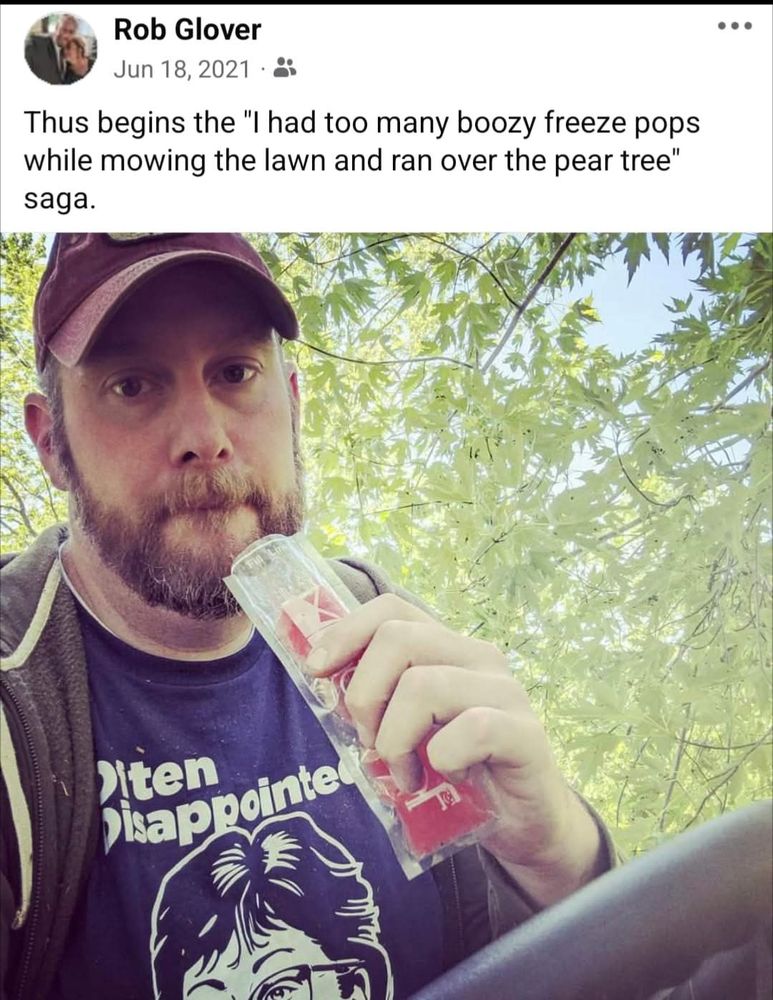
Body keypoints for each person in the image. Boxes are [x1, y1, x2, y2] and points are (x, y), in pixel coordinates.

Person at [0, 233, 615, 1000]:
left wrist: (552, 850)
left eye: (235, 372)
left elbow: (549, 959)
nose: (206, 439)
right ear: (51, 443)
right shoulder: (14, 701)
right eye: (132, 385)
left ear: (290, 403)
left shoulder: (370, 619)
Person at [24, 13, 92, 85]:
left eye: (71, 32)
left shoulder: (70, 53)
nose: (66, 35)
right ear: (56, 28)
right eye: (64, 30)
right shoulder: (36, 44)